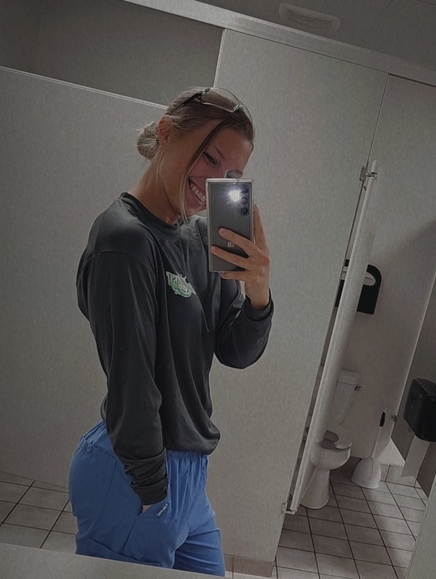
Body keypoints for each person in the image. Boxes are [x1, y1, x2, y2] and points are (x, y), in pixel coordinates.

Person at [68, 87, 273, 575]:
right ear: (166, 132)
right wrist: (153, 491)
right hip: (135, 475)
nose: (214, 182)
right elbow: (132, 381)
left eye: (232, 176)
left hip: (189, 476)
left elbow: (235, 350)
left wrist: (259, 291)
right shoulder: (124, 240)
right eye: (210, 157)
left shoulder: (201, 236)